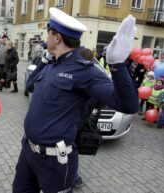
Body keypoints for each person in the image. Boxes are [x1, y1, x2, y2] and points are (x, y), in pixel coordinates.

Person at [12, 8, 138, 193]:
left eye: (49, 32)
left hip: (54, 161)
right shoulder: (53, 63)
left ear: (56, 38)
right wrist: (44, 61)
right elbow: (30, 85)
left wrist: (117, 64)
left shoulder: (84, 70)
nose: (46, 37)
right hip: (28, 152)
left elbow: (128, 105)